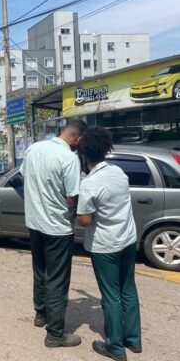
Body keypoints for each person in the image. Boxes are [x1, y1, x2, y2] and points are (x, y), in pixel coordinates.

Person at [76, 127, 141, 361]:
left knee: (111, 295)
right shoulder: (118, 172)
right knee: (128, 289)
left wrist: (76, 211)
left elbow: (85, 220)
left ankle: (114, 346)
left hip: (106, 246)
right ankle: (133, 339)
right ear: (105, 150)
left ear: (83, 157)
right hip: (127, 239)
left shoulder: (89, 184)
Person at [20, 120, 87, 348]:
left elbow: (23, 175)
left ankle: (41, 314)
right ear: (78, 140)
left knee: (40, 270)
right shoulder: (69, 159)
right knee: (57, 279)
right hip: (58, 227)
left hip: (34, 222)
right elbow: (72, 196)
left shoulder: (33, 149)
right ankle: (55, 334)